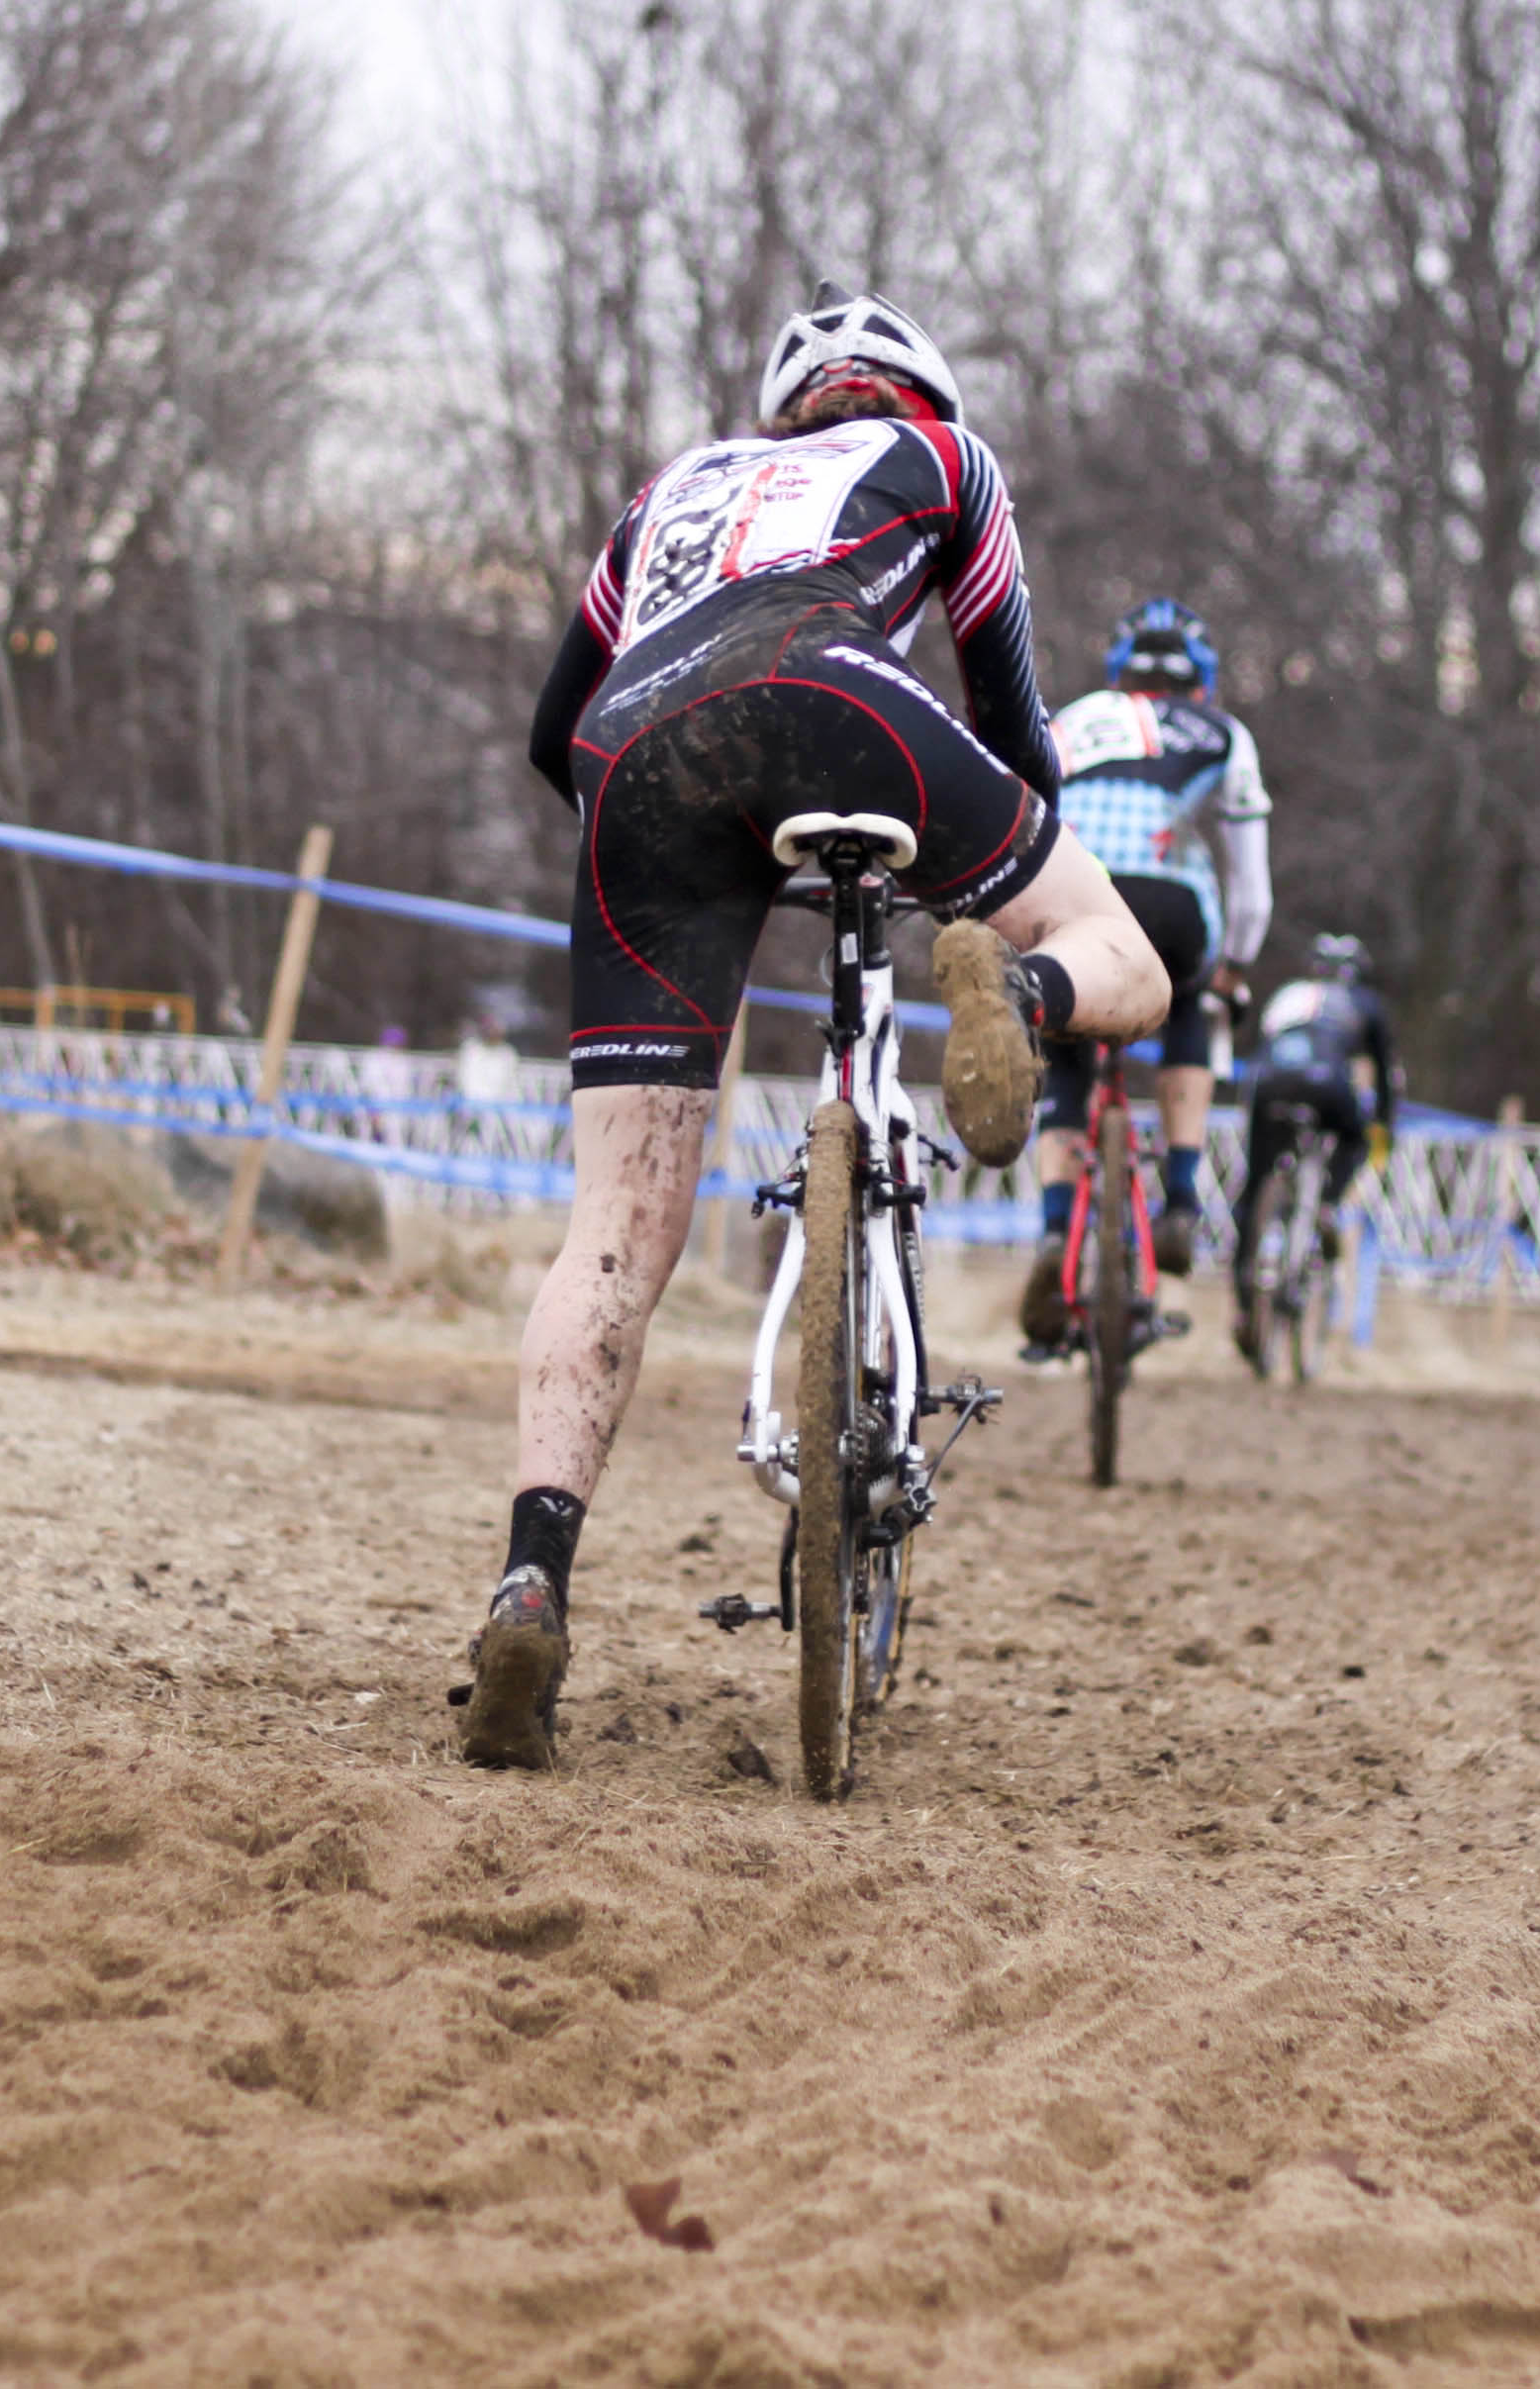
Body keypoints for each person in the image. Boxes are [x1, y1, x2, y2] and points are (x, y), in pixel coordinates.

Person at [463, 285, 1166, 1771]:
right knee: (1131, 956)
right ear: (918, 388)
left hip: (629, 756)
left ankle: (532, 1576)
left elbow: (548, 731)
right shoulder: (949, 460)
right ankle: (1022, 999)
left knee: (617, 1222)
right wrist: (974, 867)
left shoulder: (669, 492)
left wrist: (710, 887)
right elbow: (1015, 722)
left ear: (786, 407)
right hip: (826, 686)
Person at [1019, 599, 1276, 1345]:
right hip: (1169, 910)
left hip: (1073, 899)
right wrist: (1235, 967)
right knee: (1192, 1003)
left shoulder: (1069, 719)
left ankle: (1053, 1229)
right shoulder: (1223, 733)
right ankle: (1183, 1199)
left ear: (1118, 674)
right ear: (1201, 680)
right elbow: (1252, 891)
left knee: (1067, 1050)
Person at [1228, 932, 1400, 1362]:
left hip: (1269, 1085)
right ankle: (1327, 1203)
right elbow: (1384, 1076)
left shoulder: (1289, 994)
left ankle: (1246, 1303)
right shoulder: (1364, 1002)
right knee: (1356, 1137)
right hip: (1328, 1086)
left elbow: (1255, 1050)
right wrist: (1383, 1125)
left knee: (1254, 1187)